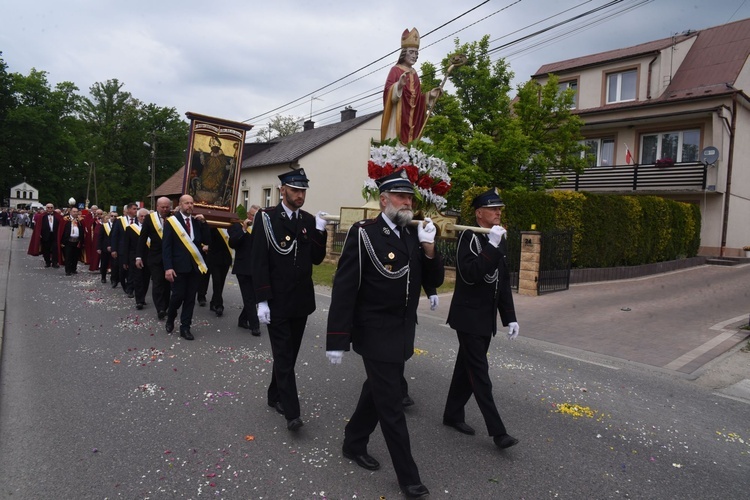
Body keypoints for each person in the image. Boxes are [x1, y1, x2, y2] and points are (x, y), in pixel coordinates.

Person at [326, 168, 444, 500]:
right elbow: (345, 288)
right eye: (401, 196)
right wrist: (337, 337)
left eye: (410, 197)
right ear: (384, 200)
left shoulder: (411, 234)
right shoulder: (364, 233)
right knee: (391, 404)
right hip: (374, 332)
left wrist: (430, 247)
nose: (408, 202)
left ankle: (353, 440)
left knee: (376, 391)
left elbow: (429, 274)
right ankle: (410, 479)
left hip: (402, 331)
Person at [442, 188, 520, 451]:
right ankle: (498, 432)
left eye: (500, 208)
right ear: (479, 213)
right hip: (468, 318)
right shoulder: (469, 237)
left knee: (465, 369)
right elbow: (471, 274)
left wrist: (509, 318)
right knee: (479, 373)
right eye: (493, 208)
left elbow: (503, 281)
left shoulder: (497, 237)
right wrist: (492, 246)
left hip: (485, 319)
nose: (499, 212)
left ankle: (452, 414)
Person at [250, 168, 327, 431]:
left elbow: (316, 259)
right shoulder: (267, 218)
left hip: (301, 301)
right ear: (282, 190)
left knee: (289, 354)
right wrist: (261, 300)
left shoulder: (307, 219)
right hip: (277, 301)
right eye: (295, 190)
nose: (300, 195)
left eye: (303, 190)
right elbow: (259, 260)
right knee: (283, 355)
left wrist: (320, 232)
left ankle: (274, 394)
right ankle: (292, 412)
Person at [381, 28, 442, 145]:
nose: (414, 56)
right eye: (411, 52)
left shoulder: (414, 73)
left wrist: (429, 95)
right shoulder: (395, 70)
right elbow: (387, 93)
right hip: (398, 117)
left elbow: (417, 100)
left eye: (416, 53)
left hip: (412, 120)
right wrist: (398, 86)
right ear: (404, 53)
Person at [162, 194, 209, 341]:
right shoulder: (172, 222)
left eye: (191, 203)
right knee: (177, 296)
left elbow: (207, 240)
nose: (190, 206)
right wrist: (168, 268)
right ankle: (171, 316)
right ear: (180, 205)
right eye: (187, 203)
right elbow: (167, 247)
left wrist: (204, 223)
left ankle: (185, 327)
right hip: (178, 267)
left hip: (195, 267)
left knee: (190, 298)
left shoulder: (196, 222)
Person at [136, 197, 173, 320]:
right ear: (157, 207)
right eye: (162, 207)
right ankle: (160, 308)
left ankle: (166, 306)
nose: (165, 209)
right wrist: (139, 257)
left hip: (171, 257)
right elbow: (142, 239)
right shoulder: (149, 219)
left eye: (167, 207)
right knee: (157, 282)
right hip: (155, 257)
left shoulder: (173, 218)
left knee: (168, 284)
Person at [228, 204, 261, 336]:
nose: (254, 218)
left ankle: (242, 319)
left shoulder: (260, 229)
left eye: (256, 216)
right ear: (248, 215)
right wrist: (244, 229)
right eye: (252, 215)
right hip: (243, 268)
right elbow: (233, 243)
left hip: (257, 269)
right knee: (249, 297)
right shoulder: (238, 226)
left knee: (255, 297)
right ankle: (255, 325)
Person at [199, 226, 233, 317]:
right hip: (214, 258)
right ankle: (219, 305)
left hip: (226, 259)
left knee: (221, 282)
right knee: (217, 281)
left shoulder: (232, 226)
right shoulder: (214, 227)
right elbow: (207, 238)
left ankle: (214, 302)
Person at [123, 208, 151, 310]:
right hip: (135, 258)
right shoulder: (130, 229)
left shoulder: (152, 229)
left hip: (148, 257)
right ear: (137, 217)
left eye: (145, 216)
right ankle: (139, 300)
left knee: (146, 279)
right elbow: (126, 246)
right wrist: (125, 260)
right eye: (141, 216)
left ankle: (142, 297)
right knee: (138, 279)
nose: (143, 218)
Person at [61, 207, 83, 276]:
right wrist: (63, 241)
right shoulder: (66, 219)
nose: (75, 213)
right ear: (70, 212)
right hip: (68, 241)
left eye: (77, 212)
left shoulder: (79, 221)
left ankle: (73, 269)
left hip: (77, 241)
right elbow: (62, 230)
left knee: (75, 256)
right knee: (68, 256)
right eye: (74, 211)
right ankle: (68, 270)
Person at [38, 203, 62, 268]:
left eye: (51, 207)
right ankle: (47, 262)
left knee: (55, 249)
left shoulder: (58, 216)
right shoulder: (42, 216)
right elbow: (38, 226)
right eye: (48, 207)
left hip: (55, 235)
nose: (50, 209)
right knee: (46, 250)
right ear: (46, 208)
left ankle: (54, 262)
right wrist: (40, 234)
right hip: (45, 235)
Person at [97, 212, 113, 284]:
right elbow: (100, 237)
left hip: (114, 248)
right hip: (105, 247)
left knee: (114, 264)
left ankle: (113, 278)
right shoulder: (105, 226)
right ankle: (103, 277)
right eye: (111, 216)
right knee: (104, 263)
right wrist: (99, 247)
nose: (112, 217)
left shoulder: (117, 225)